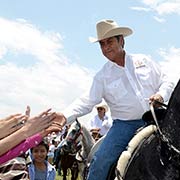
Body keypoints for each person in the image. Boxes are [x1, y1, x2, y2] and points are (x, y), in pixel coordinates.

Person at [54, 19, 174, 180]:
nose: (106, 47)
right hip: (125, 126)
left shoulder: (145, 61)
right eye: (102, 44)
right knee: (100, 161)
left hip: (160, 118)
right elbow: (87, 100)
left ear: (121, 40)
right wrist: (64, 116)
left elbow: (168, 81)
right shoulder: (102, 76)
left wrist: (161, 95)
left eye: (109, 41)